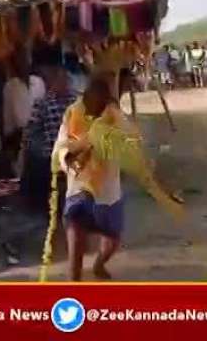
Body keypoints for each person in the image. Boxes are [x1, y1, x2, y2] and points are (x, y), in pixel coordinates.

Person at [52, 78, 128, 281]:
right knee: (75, 245)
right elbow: (61, 146)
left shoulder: (116, 117)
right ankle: (74, 292)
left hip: (108, 193)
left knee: (112, 241)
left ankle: (99, 264)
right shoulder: (73, 113)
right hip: (79, 190)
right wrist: (70, 157)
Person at [21, 66, 77, 213]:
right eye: (60, 81)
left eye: (66, 81)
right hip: (52, 152)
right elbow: (31, 127)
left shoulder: (76, 100)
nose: (64, 84)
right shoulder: (43, 103)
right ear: (53, 83)